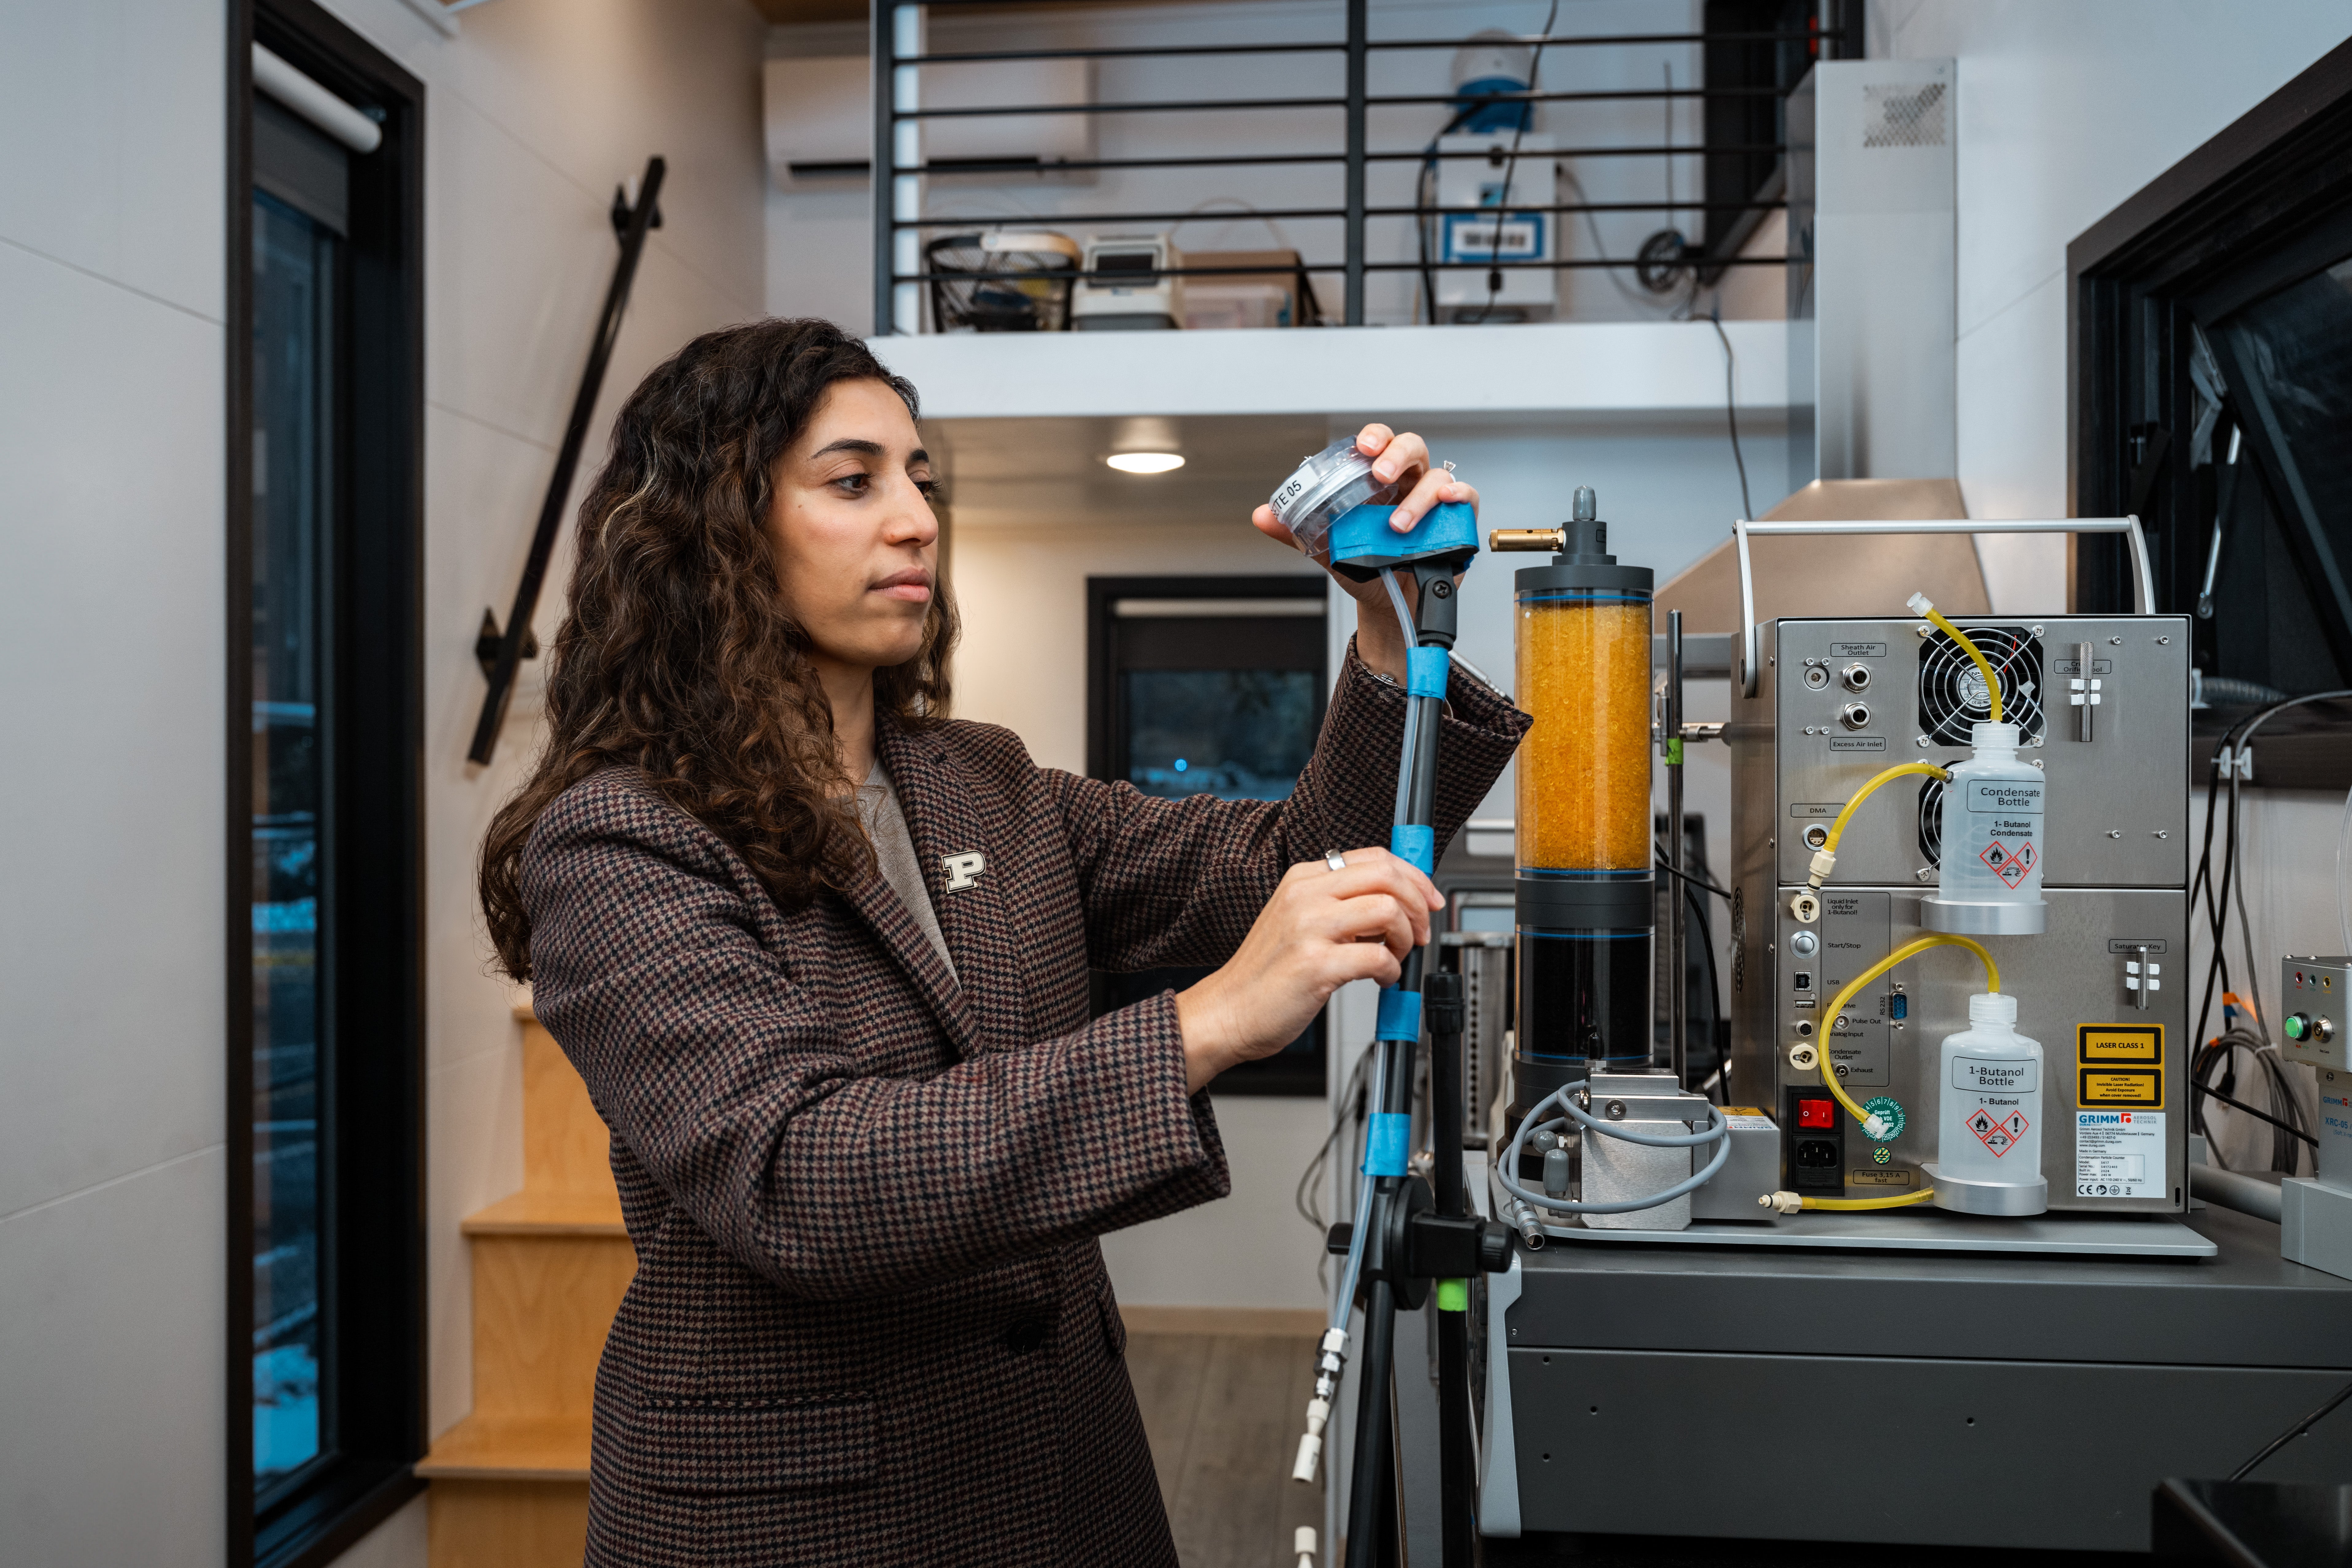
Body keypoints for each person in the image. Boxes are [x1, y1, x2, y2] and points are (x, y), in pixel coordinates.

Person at [477, 317, 1526, 1566]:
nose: (918, 520)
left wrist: (1391, 629)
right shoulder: (620, 841)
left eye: (920, 481)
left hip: (1059, 1479)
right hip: (807, 1523)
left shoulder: (982, 781)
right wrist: (1204, 1025)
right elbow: (801, 1175)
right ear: (715, 529)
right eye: (853, 481)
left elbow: (1293, 862)